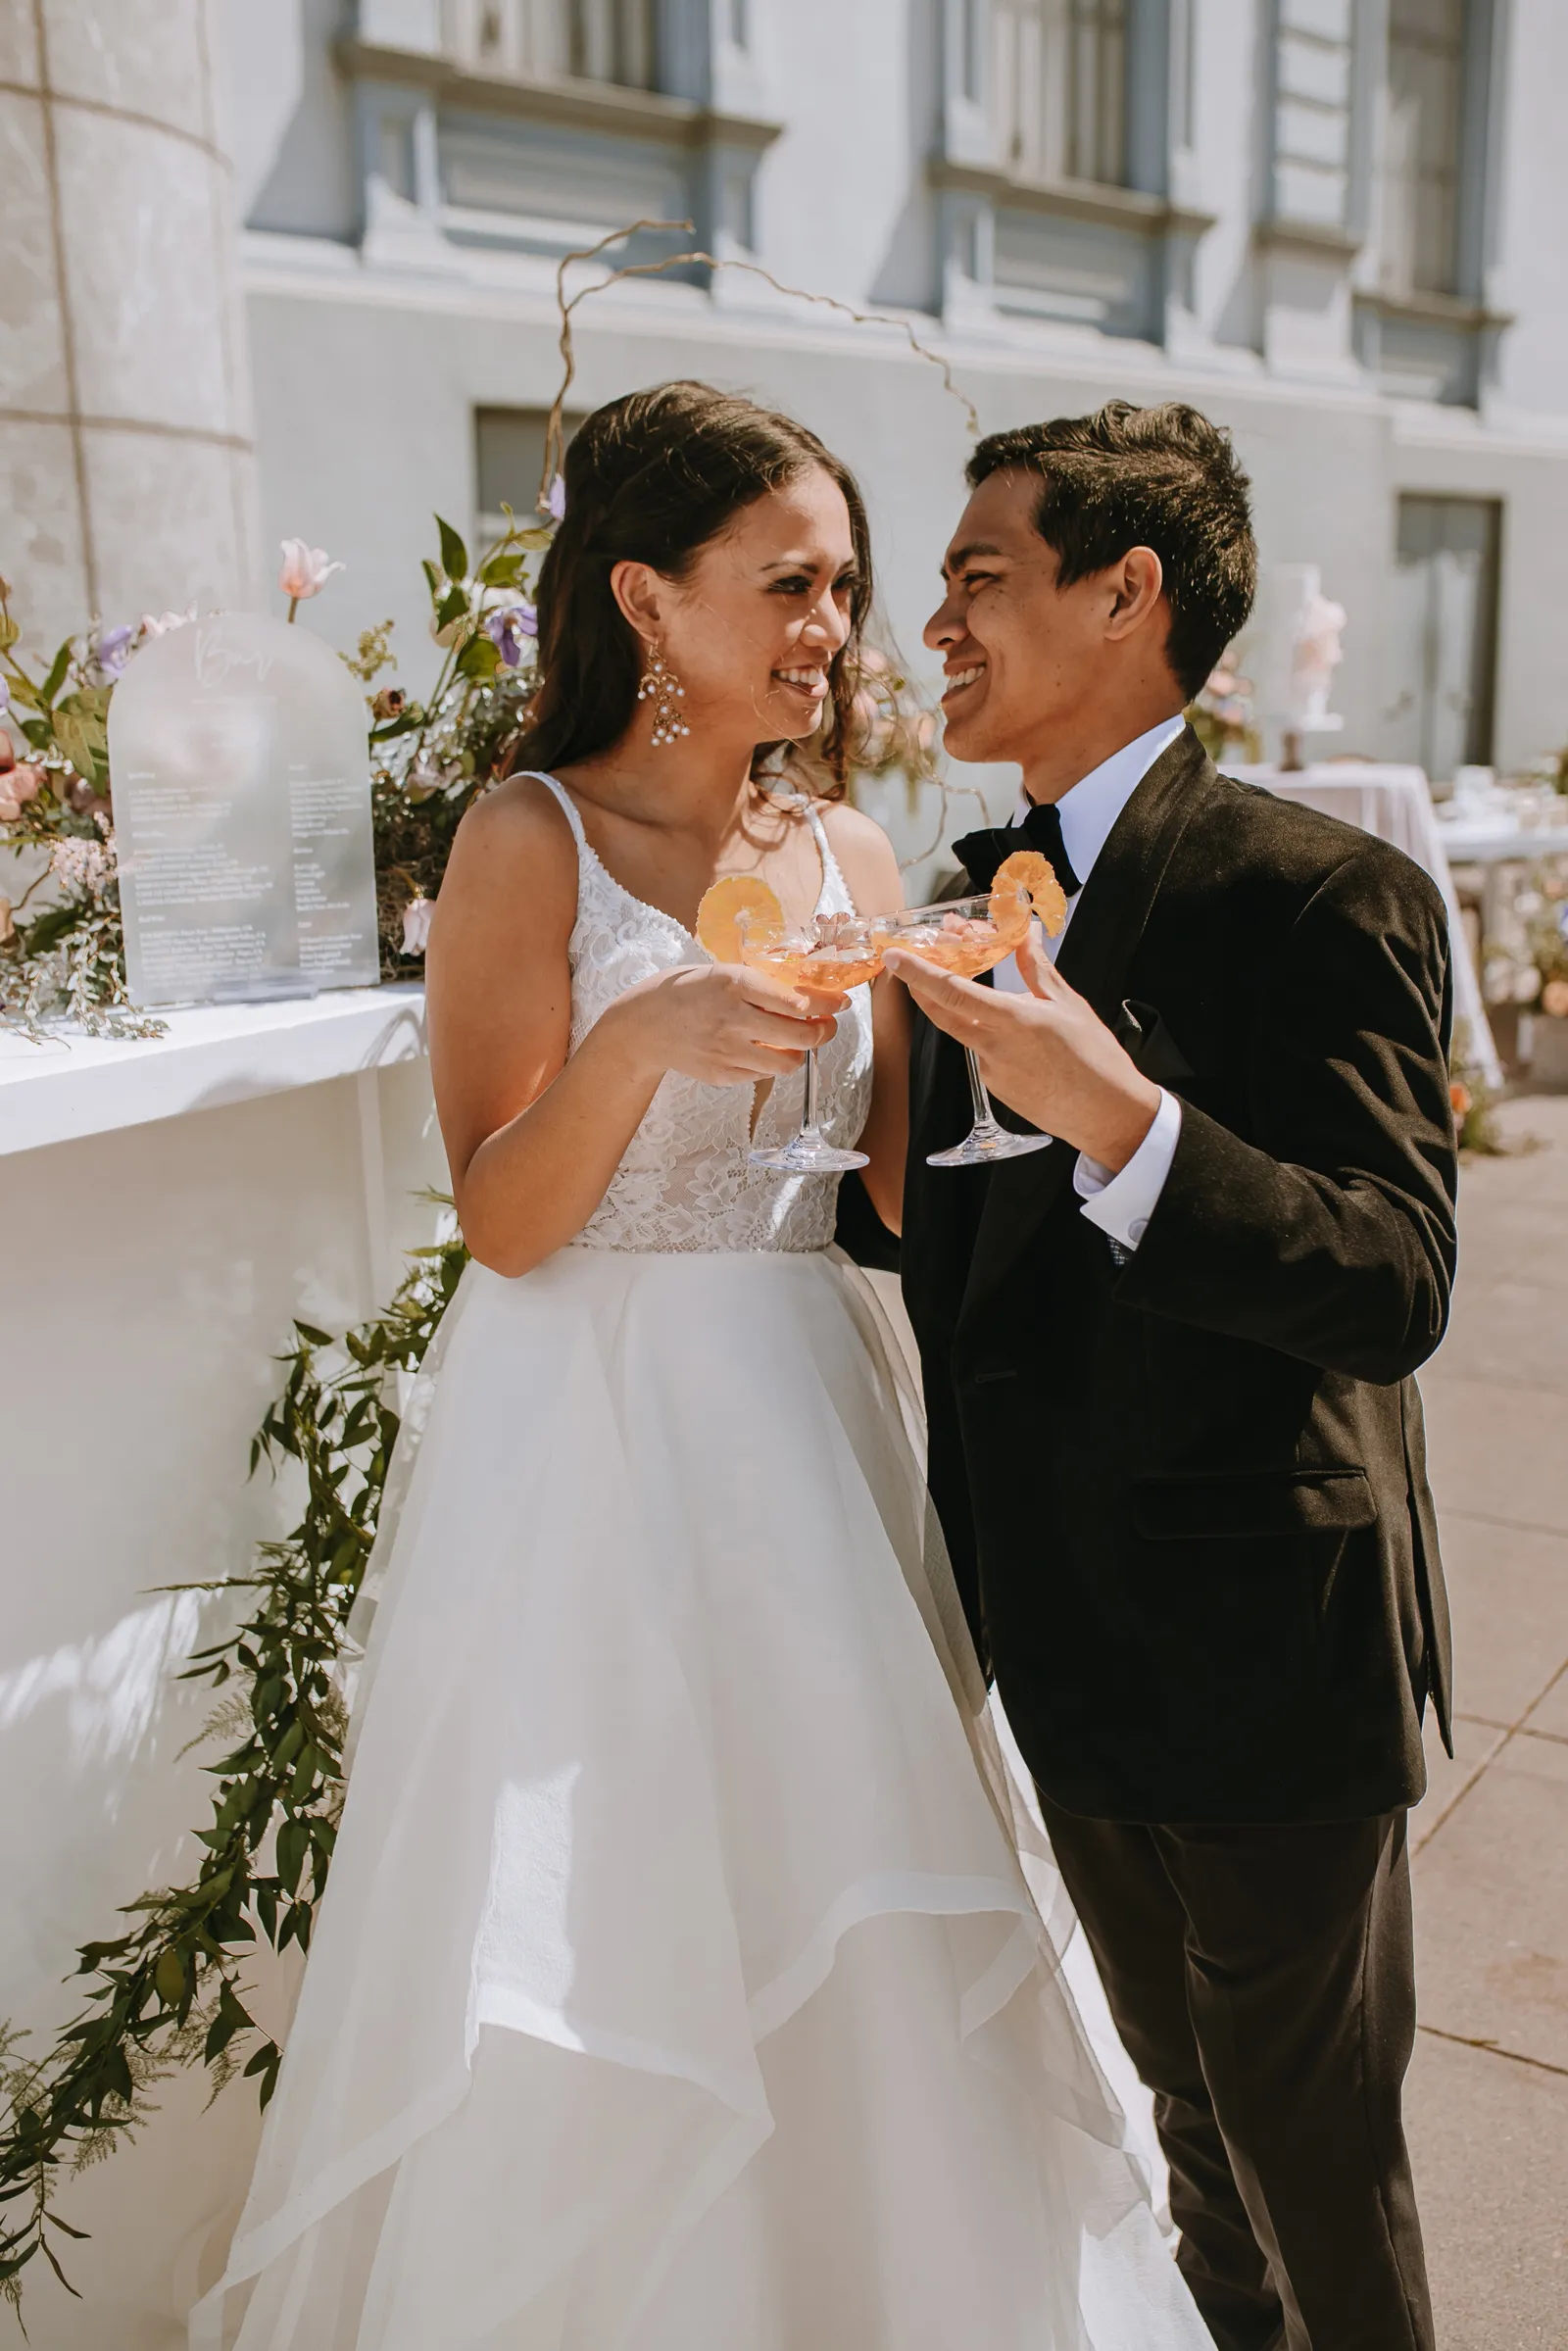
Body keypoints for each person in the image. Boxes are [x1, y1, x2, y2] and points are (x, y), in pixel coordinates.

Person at [192, 382, 1211, 2349]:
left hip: (809, 1427)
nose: (834, 624)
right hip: (584, 1444)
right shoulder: (530, 836)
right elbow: (502, 1214)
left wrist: (1003, 1039)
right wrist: (640, 1040)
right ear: (646, 598)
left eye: (841, 582)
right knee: (612, 1904)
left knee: (854, 1877)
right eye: (788, 582)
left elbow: (890, 1199)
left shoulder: (847, 848)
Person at [887, 399, 1457, 2351]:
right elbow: (961, 1258)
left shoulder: (1316, 892)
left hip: (1264, 1647)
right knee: (1195, 2149)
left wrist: (1125, 1119)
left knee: (1316, 2171)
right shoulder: (968, 893)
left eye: (976, 576)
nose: (934, 624)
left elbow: (1389, 1276)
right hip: (1065, 1643)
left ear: (1124, 592)